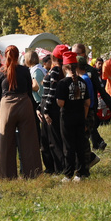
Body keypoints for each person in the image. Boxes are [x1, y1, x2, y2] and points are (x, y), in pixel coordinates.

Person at [0, 46, 43, 179]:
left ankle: (5, 174)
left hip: (7, 105)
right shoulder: (25, 70)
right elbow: (29, 89)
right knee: (29, 140)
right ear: (18, 56)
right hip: (24, 104)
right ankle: (33, 173)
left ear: (5, 55)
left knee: (5, 141)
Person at [56, 52, 90, 181]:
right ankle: (81, 173)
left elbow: (61, 103)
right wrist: (84, 117)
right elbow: (87, 103)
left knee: (68, 147)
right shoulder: (83, 82)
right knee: (80, 146)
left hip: (67, 118)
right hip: (80, 117)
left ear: (65, 67)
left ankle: (68, 174)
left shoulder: (63, 83)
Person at [39, 45, 68, 175]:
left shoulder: (56, 70)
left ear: (54, 56)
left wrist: (45, 110)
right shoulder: (59, 70)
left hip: (50, 107)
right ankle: (52, 167)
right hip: (50, 105)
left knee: (52, 140)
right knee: (49, 139)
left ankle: (58, 168)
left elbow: (52, 91)